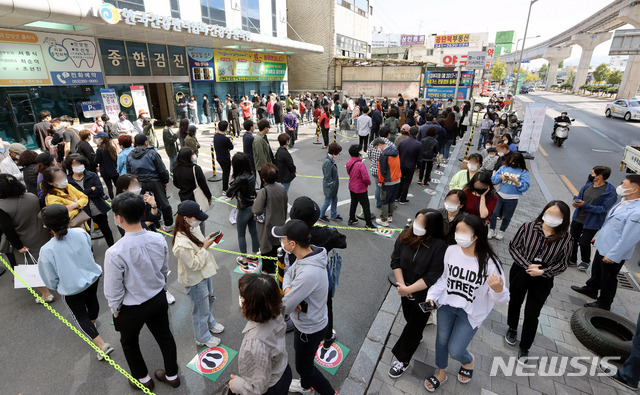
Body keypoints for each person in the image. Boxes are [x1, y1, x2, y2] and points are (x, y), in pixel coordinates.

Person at [424, 215, 509, 391]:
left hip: (471, 312)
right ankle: (441, 372)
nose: (458, 235)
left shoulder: (490, 263)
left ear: (476, 235)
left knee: (455, 350)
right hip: (447, 305)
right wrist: (431, 295)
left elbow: (503, 300)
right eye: (457, 231)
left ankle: (468, 361)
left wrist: (498, 289)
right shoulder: (451, 251)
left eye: (464, 231)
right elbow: (444, 279)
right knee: (441, 341)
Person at [104, 192, 180, 390]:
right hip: (157, 298)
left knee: (130, 344)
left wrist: (115, 310)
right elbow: (164, 270)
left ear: (119, 218)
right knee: (165, 337)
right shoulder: (157, 238)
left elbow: (113, 289)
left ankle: (144, 379)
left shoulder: (115, 252)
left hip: (131, 308)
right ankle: (172, 375)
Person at [37, 204, 115, 360]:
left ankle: (101, 345)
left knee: (79, 316)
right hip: (92, 278)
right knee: (93, 303)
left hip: (71, 288)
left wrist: (56, 286)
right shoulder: (81, 233)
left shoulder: (47, 250)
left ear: (47, 226)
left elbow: (50, 278)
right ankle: (92, 325)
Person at [272, 220, 336, 395]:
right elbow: (288, 275)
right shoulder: (310, 253)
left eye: (283, 239)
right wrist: (290, 290)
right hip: (310, 322)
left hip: (309, 328)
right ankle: (306, 386)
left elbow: (285, 306)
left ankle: (327, 392)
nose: (282, 243)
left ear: (292, 244)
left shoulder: (308, 272)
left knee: (304, 366)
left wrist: (290, 295)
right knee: (304, 361)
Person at [505, 201, 573, 364]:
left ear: (564, 219)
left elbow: (563, 263)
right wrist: (527, 265)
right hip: (522, 270)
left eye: (557, 215)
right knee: (515, 302)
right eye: (549, 212)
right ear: (543, 211)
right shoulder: (528, 227)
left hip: (543, 278)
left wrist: (543, 271)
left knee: (532, 314)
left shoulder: (566, 238)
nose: (551, 217)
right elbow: (514, 247)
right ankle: (512, 328)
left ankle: (525, 347)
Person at [388, 209, 448, 378]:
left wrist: (410, 289)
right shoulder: (405, 235)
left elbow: (432, 276)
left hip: (425, 295)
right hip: (404, 288)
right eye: (416, 220)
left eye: (422, 223)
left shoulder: (439, 247)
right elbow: (396, 261)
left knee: (414, 327)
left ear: (431, 228)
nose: (416, 225)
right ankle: (416, 337)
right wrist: (402, 286)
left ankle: (403, 360)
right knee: (409, 319)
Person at [571, 175, 640, 311]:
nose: (620, 186)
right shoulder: (625, 201)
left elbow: (629, 238)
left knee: (608, 278)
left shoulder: (637, 212)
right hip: (604, 245)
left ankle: (604, 303)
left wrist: (613, 255)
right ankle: (591, 289)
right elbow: (612, 224)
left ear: (634, 190)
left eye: (624, 184)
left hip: (613, 251)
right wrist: (600, 237)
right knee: (596, 270)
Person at [229, 273, 292, 395]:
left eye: (243, 296)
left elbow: (257, 388)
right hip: (283, 371)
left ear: (252, 305)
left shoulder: (255, 342)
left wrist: (236, 384)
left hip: (271, 388)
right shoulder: (277, 311)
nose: (241, 299)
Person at [172, 200, 224, 348]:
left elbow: (199, 245)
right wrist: (205, 247)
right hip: (195, 279)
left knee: (209, 300)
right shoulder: (181, 244)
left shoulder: (191, 228)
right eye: (196, 217)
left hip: (204, 272)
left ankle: (210, 323)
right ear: (185, 218)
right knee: (201, 308)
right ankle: (202, 337)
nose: (199, 220)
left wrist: (206, 242)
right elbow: (193, 264)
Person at [0, 174, 54, 301]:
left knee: (29, 268)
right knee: (49, 260)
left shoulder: (2, 207)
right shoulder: (32, 197)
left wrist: (18, 247)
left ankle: (46, 294)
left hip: (24, 241)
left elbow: (8, 230)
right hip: (42, 234)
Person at [569, 166, 617, 270]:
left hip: (593, 222)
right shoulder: (588, 184)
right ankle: (572, 259)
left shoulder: (610, 192)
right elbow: (579, 196)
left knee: (584, 242)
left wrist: (584, 205)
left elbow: (603, 209)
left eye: (593, 173)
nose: (591, 175)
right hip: (578, 218)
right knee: (572, 240)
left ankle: (585, 261)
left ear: (600, 176)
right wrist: (575, 201)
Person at [64, 154, 115, 246]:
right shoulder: (68, 181)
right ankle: (90, 254)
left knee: (106, 230)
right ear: (70, 166)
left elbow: (99, 190)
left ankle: (113, 248)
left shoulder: (92, 175)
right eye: (75, 164)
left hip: (97, 207)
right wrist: (90, 189)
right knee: (85, 234)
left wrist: (82, 194)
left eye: (80, 163)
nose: (78, 166)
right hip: (81, 210)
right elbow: (72, 198)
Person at [126, 134, 173, 230]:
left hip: (139, 183)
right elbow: (162, 170)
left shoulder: (130, 155)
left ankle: (152, 223)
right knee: (164, 203)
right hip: (155, 181)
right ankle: (169, 224)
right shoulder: (152, 153)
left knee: (142, 204)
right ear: (145, 142)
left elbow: (129, 172)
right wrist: (164, 181)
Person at [252, 163, 288, 273]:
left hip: (267, 225)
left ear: (263, 179)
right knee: (278, 246)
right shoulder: (282, 188)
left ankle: (268, 270)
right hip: (280, 222)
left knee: (266, 247)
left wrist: (255, 202)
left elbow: (256, 210)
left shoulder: (264, 191)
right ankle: (279, 266)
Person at [227, 153, 261, 269]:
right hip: (253, 206)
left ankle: (244, 260)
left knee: (241, 234)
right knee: (254, 232)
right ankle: (254, 254)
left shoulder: (240, 178)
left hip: (243, 208)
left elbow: (228, 192)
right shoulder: (251, 173)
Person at [488, 152, 531, 240]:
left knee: (507, 217)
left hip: (512, 198)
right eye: (511, 161)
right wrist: (501, 176)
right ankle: (492, 229)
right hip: (499, 195)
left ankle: (501, 231)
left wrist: (516, 181)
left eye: (515, 162)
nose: (513, 163)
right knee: (493, 213)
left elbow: (525, 187)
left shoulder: (524, 172)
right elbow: (493, 180)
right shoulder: (504, 167)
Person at [346, 144, 375, 228]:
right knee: (366, 206)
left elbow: (349, 173)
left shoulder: (349, 162)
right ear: (359, 154)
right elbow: (365, 177)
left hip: (352, 186)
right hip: (361, 188)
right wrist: (369, 182)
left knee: (353, 203)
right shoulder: (360, 164)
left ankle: (351, 219)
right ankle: (368, 223)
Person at [375, 138, 401, 227]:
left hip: (388, 181)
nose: (377, 149)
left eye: (376, 147)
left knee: (384, 200)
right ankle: (390, 216)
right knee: (392, 199)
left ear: (379, 145)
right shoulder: (395, 151)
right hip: (397, 179)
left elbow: (382, 171)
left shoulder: (384, 156)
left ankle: (384, 219)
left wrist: (380, 181)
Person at [397, 126, 422, 204]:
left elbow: (398, 153)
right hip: (411, 165)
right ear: (417, 134)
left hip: (401, 164)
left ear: (409, 132)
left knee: (400, 181)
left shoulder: (402, 142)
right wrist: (418, 167)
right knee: (407, 182)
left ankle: (397, 196)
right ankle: (403, 198)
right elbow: (419, 158)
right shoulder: (419, 144)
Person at [319, 143, 342, 222]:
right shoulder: (328, 162)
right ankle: (321, 215)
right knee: (327, 201)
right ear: (333, 152)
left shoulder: (331, 160)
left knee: (334, 199)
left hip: (333, 185)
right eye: (337, 153)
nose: (338, 155)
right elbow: (327, 176)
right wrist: (331, 184)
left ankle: (333, 214)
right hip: (330, 186)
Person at [253, 119, 275, 187]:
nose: (268, 129)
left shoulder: (263, 137)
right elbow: (261, 156)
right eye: (268, 127)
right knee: (264, 184)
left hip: (267, 165)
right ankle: (262, 196)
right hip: (263, 167)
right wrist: (267, 168)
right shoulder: (258, 140)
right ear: (265, 128)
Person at [214, 121, 234, 193]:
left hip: (219, 157)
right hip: (225, 158)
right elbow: (231, 147)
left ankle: (226, 186)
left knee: (225, 172)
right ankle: (225, 188)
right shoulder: (225, 139)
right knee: (226, 173)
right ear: (226, 128)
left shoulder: (216, 136)